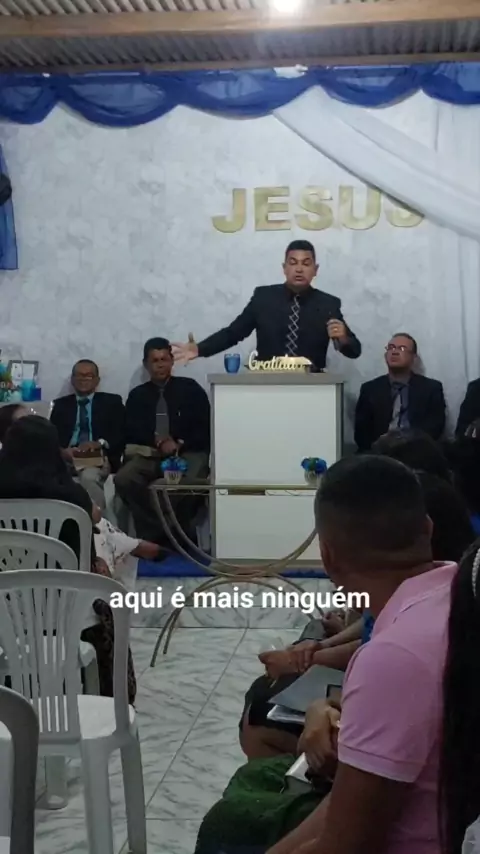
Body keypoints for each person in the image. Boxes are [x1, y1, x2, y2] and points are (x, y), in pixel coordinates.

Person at [0, 415, 136, 704]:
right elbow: (89, 533)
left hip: (6, 605)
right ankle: (111, 695)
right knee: (108, 596)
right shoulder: (71, 496)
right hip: (65, 606)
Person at [172, 241, 361, 371]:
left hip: (313, 385)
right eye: (293, 263)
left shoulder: (328, 304)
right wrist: (200, 349)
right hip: (266, 382)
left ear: (315, 270)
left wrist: (344, 338)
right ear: (284, 268)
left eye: (306, 263)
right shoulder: (263, 297)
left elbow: (354, 351)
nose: (299, 269)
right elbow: (233, 333)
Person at [115, 337, 210, 544]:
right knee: (124, 478)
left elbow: (205, 427)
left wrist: (179, 443)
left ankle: (175, 534)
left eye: (164, 359)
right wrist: (159, 442)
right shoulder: (138, 395)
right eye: (155, 360)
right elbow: (131, 430)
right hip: (151, 454)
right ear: (146, 364)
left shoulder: (190, 389)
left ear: (172, 361)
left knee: (179, 485)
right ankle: (158, 532)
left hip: (187, 452)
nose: (160, 365)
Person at [50, 359, 125, 511]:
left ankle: (98, 522)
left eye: (88, 376)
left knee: (89, 477)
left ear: (97, 380)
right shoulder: (60, 405)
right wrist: (62, 451)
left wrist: (99, 443)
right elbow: (51, 436)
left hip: (94, 457)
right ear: (72, 380)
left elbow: (121, 433)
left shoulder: (112, 402)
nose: (83, 379)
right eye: (79, 375)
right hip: (67, 457)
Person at [354, 333, 446, 451]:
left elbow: (435, 427)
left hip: (418, 451)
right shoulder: (370, 389)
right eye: (391, 348)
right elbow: (361, 432)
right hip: (379, 453)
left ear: (413, 357)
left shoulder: (431, 388)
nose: (395, 352)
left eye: (402, 348)